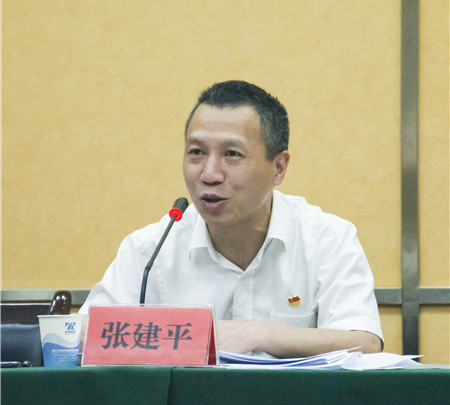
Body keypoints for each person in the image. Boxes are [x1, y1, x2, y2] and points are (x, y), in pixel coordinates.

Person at [80, 80, 383, 356]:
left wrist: (258, 334)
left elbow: (364, 343)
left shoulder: (327, 239)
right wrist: (188, 335)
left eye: (232, 154)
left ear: (279, 168)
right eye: (196, 152)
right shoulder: (150, 249)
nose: (210, 174)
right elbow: (82, 335)